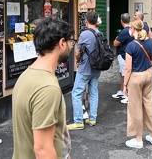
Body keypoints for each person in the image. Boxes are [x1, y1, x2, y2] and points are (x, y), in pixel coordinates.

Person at [12, 17, 74, 158]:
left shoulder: (26, 75)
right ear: (62, 43)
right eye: (71, 41)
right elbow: (43, 149)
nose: (72, 46)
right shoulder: (47, 88)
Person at [123, 19, 152, 148]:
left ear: (133, 29)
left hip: (136, 77)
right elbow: (151, 60)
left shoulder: (131, 46)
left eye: (130, 28)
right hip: (148, 74)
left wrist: (125, 85)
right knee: (149, 104)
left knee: (135, 107)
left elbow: (128, 68)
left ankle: (138, 139)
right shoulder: (150, 42)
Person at [68, 11, 101, 130]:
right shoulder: (99, 33)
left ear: (86, 21)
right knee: (94, 92)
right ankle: (92, 118)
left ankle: (78, 121)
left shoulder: (84, 34)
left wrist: (76, 60)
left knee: (76, 93)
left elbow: (78, 51)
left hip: (85, 68)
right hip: (96, 68)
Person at [112, 13, 133, 104]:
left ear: (121, 21)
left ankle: (126, 93)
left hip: (124, 55)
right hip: (126, 54)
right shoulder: (131, 29)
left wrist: (117, 39)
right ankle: (122, 91)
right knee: (122, 73)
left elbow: (115, 43)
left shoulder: (124, 31)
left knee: (125, 74)